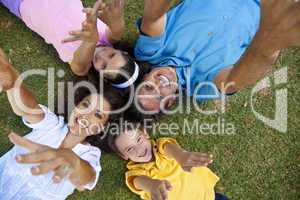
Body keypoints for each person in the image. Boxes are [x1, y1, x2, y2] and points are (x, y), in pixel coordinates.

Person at [0, 47, 125, 199]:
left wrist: (75, 162)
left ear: (101, 128)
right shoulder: (52, 124)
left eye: (98, 114)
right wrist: (12, 84)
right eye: (85, 105)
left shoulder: (90, 155)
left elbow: (88, 177)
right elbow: (28, 108)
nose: (86, 114)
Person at [133, 0, 300, 113]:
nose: (158, 85)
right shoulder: (200, 88)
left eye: (148, 87)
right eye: (160, 95)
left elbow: (153, 17)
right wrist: (272, 42)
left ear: (144, 75)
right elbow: (233, 82)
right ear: (170, 101)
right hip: (269, 6)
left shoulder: (149, 53)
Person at [0, 0, 140, 88]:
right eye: (111, 55)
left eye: (103, 66)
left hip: (23, 4)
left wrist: (90, 41)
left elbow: (80, 64)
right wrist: (117, 18)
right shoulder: (108, 39)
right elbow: (117, 31)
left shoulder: (81, 66)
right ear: (122, 51)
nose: (102, 57)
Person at [107, 123, 228, 200]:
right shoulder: (135, 172)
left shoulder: (161, 147)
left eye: (138, 139)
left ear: (145, 133)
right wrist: (151, 185)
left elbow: (171, 149)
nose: (139, 149)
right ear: (123, 155)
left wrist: (181, 155)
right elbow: (138, 182)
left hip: (209, 196)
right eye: (130, 149)